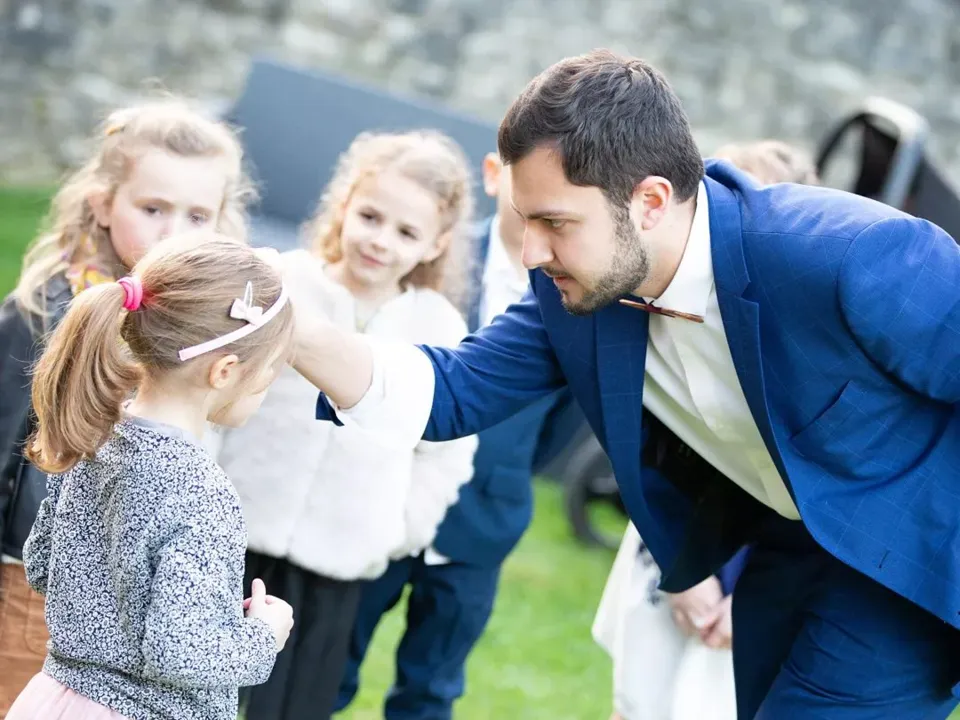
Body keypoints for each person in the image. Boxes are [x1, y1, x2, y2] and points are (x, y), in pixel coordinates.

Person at [288, 49, 960, 717]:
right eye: (526, 220)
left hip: (908, 577)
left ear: (650, 202)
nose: (531, 252)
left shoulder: (849, 253)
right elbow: (453, 389)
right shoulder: (577, 292)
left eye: (555, 222)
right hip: (780, 557)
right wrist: (292, 330)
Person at [0, 97, 253, 716]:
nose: (174, 232)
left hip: (136, 591)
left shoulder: (202, 323)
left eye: (198, 216)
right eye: (153, 208)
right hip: (45, 581)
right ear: (102, 203)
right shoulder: (49, 310)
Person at [217, 129, 478, 720]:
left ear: (436, 244)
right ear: (344, 205)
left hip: (339, 560)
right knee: (196, 691)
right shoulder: (284, 284)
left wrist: (398, 530)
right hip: (233, 533)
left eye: (406, 232)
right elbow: (217, 388)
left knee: (295, 706)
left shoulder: (438, 330)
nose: (380, 241)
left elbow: (446, 452)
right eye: (370, 217)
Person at [6, 234, 295, 719]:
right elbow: (179, 650)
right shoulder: (200, 491)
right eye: (271, 370)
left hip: (56, 700)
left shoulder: (95, 438)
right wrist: (263, 634)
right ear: (225, 371)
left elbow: (41, 565)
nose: (268, 383)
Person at [593, 139, 822, 720]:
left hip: (761, 575)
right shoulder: (669, 318)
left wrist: (747, 597)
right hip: (672, 548)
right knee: (637, 697)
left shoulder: (804, 343)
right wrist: (683, 574)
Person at [336, 152, 560, 719]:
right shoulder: (425, 253)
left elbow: (565, 419)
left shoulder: (572, 285)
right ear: (495, 175)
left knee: (431, 689)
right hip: (384, 501)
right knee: (333, 665)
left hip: (482, 520)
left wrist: (504, 468)